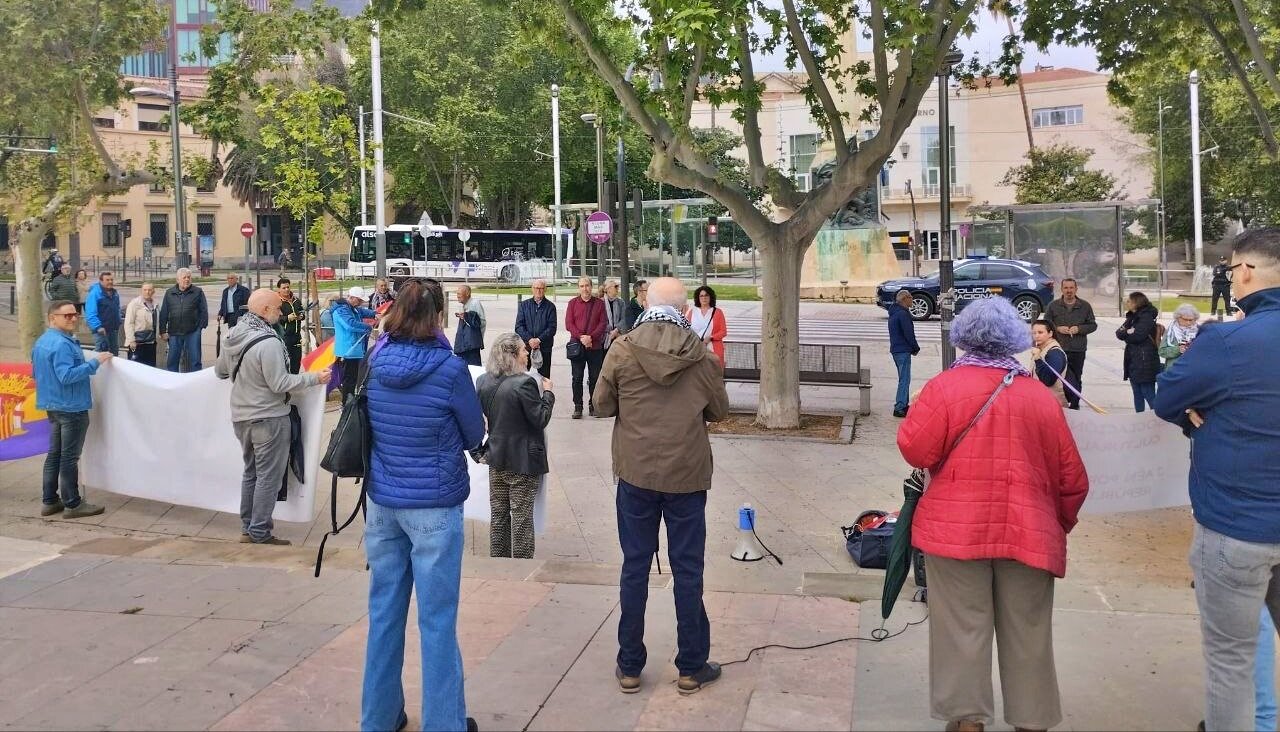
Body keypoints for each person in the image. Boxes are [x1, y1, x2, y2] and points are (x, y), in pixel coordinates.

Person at [898, 297, 1089, 732]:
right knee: (1029, 631)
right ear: (1017, 340)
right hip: (1029, 533)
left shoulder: (944, 388)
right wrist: (1056, 524)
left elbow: (916, 448)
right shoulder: (1039, 398)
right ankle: (1032, 719)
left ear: (963, 337)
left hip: (955, 533)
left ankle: (967, 720)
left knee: (961, 628)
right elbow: (1073, 479)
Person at [1154, 227, 1280, 731]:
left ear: (1245, 271)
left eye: (1230, 270)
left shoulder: (1227, 341)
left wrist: (1193, 414)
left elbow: (1167, 397)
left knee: (1231, 662)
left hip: (1236, 529)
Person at [594, 277, 731, 696]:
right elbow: (720, 411)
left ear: (645, 303)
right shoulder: (702, 356)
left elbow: (600, 405)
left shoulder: (622, 348)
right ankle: (691, 666)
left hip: (635, 473)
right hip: (687, 475)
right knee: (688, 570)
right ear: (684, 309)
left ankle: (630, 665)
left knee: (634, 567)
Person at [362, 278, 484, 732]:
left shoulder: (375, 359)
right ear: (437, 316)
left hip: (383, 503)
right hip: (433, 504)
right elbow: (474, 435)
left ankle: (378, 719)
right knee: (436, 623)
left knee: (383, 616)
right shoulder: (450, 369)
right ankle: (445, 724)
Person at [215, 289, 329, 545]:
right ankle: (259, 531)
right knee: (269, 476)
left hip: (241, 416)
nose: (281, 312)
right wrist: (315, 378)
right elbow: (280, 383)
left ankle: (248, 526)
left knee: (251, 472)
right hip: (269, 417)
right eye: (278, 308)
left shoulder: (235, 334)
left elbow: (221, 372)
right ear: (265, 310)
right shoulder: (269, 342)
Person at [32, 300, 113, 519]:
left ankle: (50, 501)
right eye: (67, 316)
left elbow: (36, 374)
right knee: (69, 458)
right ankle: (73, 504)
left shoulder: (42, 342)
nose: (74, 318)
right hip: (71, 407)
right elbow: (66, 376)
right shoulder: (61, 344)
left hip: (53, 405)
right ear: (53, 318)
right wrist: (95, 363)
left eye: (75, 314)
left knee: (55, 454)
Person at [477, 333, 555, 559]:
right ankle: (521, 568)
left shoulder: (483, 381)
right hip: (523, 461)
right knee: (521, 518)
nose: (527, 353)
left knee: (499, 516)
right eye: (523, 350)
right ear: (512, 355)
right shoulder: (525, 383)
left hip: (496, 458)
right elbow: (540, 418)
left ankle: (499, 564)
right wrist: (548, 393)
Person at [1044, 278, 1096, 410]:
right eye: (1066, 288)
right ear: (1061, 289)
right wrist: (1057, 328)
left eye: (1071, 288)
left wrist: (1079, 329)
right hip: (1058, 349)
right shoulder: (1053, 306)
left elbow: (1092, 325)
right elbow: (1046, 325)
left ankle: (1075, 404)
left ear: (1076, 289)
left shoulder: (1085, 306)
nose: (1069, 291)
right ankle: (1058, 403)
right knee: (1057, 378)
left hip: (1078, 349)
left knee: (1076, 377)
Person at [565, 276, 607, 418]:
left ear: (591, 286)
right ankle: (578, 406)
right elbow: (569, 324)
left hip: (594, 347)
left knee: (594, 377)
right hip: (577, 346)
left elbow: (603, 323)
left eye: (587, 285)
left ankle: (593, 405)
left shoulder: (599, 304)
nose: (585, 289)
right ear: (579, 288)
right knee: (577, 378)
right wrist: (582, 337)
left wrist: (591, 337)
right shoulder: (572, 303)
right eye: (582, 286)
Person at [1116, 291, 1161, 413]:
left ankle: (1158, 418)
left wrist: (1128, 333)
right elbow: (1119, 333)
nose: (1127, 303)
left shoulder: (1146, 317)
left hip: (1145, 361)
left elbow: (1137, 336)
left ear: (1136, 302)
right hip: (1133, 360)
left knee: (1148, 393)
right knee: (1137, 393)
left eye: (1129, 301)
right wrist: (1129, 332)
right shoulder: (1132, 316)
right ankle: (1139, 419)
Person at [331, 286, 377, 402]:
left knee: (354, 379)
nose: (361, 302)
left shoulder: (353, 308)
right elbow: (350, 324)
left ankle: (350, 402)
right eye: (360, 300)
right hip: (348, 351)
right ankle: (347, 404)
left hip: (355, 350)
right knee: (349, 381)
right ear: (352, 298)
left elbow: (363, 312)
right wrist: (368, 327)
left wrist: (375, 314)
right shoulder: (341, 310)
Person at [160, 268, 209, 372]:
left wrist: (200, 328)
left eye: (189, 277)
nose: (187, 280)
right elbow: (164, 312)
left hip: (193, 332)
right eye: (184, 277)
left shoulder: (198, 292)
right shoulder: (169, 293)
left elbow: (203, 311)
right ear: (177, 279)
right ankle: (172, 383)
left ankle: (196, 383)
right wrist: (162, 331)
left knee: (195, 361)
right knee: (172, 361)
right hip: (174, 332)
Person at [514, 278, 557, 379]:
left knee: (544, 378)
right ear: (532, 289)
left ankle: (544, 395)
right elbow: (518, 326)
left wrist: (538, 340)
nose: (539, 290)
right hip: (525, 347)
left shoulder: (550, 307)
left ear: (545, 289)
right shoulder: (524, 305)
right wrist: (530, 339)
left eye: (541, 288)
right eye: (536, 288)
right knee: (521, 377)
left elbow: (552, 328)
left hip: (544, 346)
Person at [888, 289, 921, 417]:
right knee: (904, 379)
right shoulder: (903, 314)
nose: (912, 299)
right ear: (904, 299)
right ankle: (900, 407)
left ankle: (903, 405)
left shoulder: (894, 312)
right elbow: (908, 333)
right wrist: (915, 348)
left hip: (896, 350)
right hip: (902, 350)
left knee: (903, 378)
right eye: (910, 297)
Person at [1030, 319, 1071, 407]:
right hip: (1042, 401)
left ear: (1050, 334)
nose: (1036, 336)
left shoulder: (1055, 353)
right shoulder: (1041, 348)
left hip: (1052, 405)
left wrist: (1037, 359)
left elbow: (1048, 380)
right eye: (1034, 333)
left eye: (1040, 332)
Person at [684, 285, 727, 366]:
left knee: (714, 374)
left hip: (713, 348)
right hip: (696, 348)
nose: (704, 298)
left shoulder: (718, 312)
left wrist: (711, 337)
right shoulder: (692, 312)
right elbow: (686, 330)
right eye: (701, 296)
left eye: (706, 295)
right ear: (698, 298)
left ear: (711, 297)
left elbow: (723, 332)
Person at [83, 271, 122, 355]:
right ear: (101, 281)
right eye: (107, 280)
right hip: (101, 330)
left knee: (114, 352)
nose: (110, 282)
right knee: (102, 353)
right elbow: (90, 313)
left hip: (113, 328)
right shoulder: (95, 293)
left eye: (111, 279)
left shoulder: (114, 293)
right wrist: (98, 327)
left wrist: (119, 320)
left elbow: (117, 308)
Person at [123, 283, 160, 367]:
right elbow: (129, 323)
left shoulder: (155, 304)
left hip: (150, 342)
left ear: (153, 291)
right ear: (141, 291)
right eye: (145, 290)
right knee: (136, 368)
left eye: (150, 290)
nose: (147, 292)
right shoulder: (134, 304)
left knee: (150, 367)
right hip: (137, 343)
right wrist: (131, 340)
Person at [275, 278, 304, 374]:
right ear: (279, 289)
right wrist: (287, 318)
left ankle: (295, 382)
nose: (287, 289)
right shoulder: (276, 302)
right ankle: (285, 384)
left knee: (297, 361)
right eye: (284, 288)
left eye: (288, 287)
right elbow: (274, 319)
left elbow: (302, 311)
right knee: (285, 362)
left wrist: (301, 316)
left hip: (296, 336)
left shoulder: (296, 300)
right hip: (284, 336)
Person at [1159, 303, 1201, 367]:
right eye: (1185, 319)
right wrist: (1178, 349)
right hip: (1174, 369)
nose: (1188, 322)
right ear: (1178, 318)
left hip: (1194, 369)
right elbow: (1162, 352)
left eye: (1191, 320)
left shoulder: (1200, 331)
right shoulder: (1171, 331)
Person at [453, 284, 486, 367]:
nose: (457, 296)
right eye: (457, 294)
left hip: (471, 346)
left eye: (459, 294)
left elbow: (482, 322)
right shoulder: (462, 306)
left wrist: (478, 338)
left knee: (473, 367)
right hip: (463, 345)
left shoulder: (475, 303)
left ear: (467, 293)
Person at [601, 280, 626, 350]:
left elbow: (623, 318)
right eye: (615, 286)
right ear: (608, 289)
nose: (618, 288)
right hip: (604, 336)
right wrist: (610, 331)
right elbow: (599, 320)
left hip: (617, 335)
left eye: (618, 286)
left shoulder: (621, 302)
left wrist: (615, 331)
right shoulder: (600, 302)